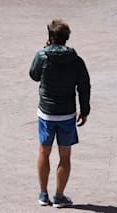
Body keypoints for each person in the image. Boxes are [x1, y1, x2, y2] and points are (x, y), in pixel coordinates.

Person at [29, 19, 91, 208]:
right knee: (65, 156)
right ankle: (59, 196)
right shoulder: (76, 60)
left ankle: (43, 194)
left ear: (50, 37)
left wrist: (44, 49)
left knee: (43, 152)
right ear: (66, 38)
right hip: (66, 114)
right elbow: (84, 86)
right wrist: (85, 110)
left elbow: (34, 75)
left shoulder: (42, 56)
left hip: (46, 113)